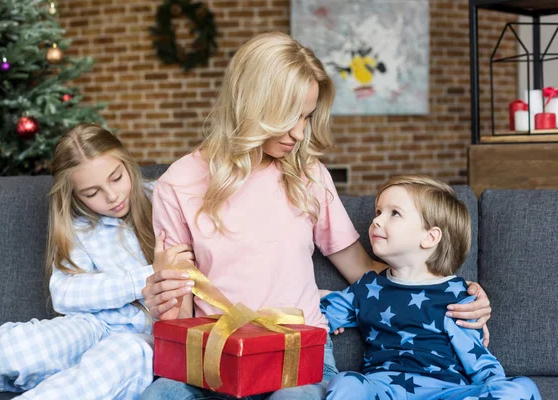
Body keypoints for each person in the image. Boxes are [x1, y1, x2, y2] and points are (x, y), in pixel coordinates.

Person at [139, 32, 492, 400]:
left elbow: (363, 269)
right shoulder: (176, 185)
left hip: (298, 356)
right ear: (251, 106)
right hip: (216, 357)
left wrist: (451, 292)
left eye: (306, 116)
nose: (299, 132)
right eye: (288, 116)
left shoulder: (308, 174)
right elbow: (178, 318)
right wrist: (164, 296)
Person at [0, 124, 192, 399]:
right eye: (92, 193)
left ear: (128, 163)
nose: (112, 196)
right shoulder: (80, 224)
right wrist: (149, 276)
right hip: (93, 324)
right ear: (74, 195)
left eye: (116, 178)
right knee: (10, 351)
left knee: (115, 359)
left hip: (142, 338)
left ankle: (64, 380)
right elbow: (65, 294)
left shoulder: (162, 198)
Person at [321, 175, 540, 400]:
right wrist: (320, 297)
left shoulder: (457, 296)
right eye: (378, 212)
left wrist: (497, 388)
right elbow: (315, 315)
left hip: (446, 392)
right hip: (384, 390)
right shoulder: (367, 288)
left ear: (430, 237)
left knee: (521, 387)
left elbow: (478, 361)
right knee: (346, 382)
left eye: (394, 213)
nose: (376, 221)